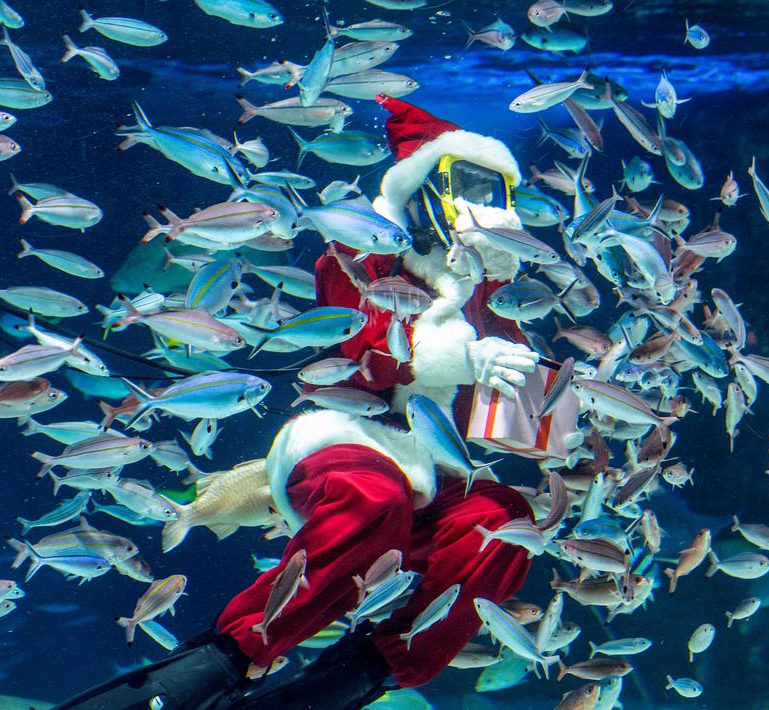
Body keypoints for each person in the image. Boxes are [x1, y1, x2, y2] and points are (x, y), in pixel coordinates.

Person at [55, 96, 544, 710]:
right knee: (375, 501)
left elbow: (500, 402)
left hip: (435, 457)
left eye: (497, 193)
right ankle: (228, 659)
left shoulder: (485, 291)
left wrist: (552, 414)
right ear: (425, 192)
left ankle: (367, 670)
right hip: (349, 437)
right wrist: (463, 357)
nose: (489, 209)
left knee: (506, 521)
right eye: (468, 188)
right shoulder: (358, 256)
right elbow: (367, 350)